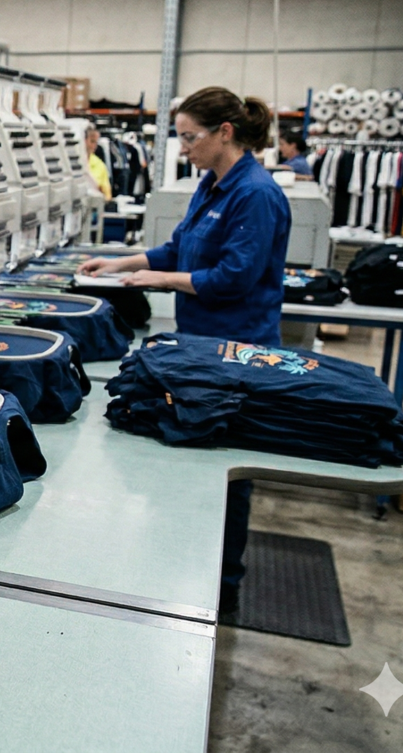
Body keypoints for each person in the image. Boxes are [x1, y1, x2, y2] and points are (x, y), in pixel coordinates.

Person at [77, 86, 292, 616]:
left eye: (191, 137)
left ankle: (224, 586)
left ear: (225, 132)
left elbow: (233, 278)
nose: (185, 147)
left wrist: (160, 280)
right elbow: (178, 249)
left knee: (225, 472)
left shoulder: (255, 194)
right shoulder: (211, 183)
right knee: (193, 456)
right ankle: (188, 571)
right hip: (201, 345)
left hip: (237, 348)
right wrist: (120, 263)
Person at [84, 124, 113, 201]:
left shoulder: (99, 164)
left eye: (96, 142)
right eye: (92, 141)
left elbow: (107, 194)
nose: (94, 146)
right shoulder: (73, 162)